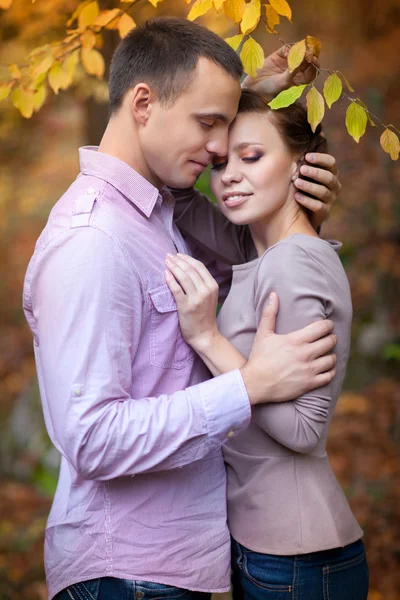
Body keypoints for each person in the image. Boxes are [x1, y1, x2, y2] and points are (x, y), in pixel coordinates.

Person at [23, 18, 340, 600]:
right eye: (208, 123)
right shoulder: (94, 240)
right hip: (127, 573)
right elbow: (91, 437)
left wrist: (296, 198)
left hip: (166, 567)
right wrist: (247, 386)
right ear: (143, 103)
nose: (219, 147)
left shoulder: (162, 215)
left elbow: (255, 259)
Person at [165, 89, 369, 600]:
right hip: (272, 551)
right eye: (220, 163)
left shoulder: (292, 260)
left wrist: (208, 338)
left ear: (304, 164)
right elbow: (170, 187)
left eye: (251, 157)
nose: (229, 174)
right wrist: (242, 86)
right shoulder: (262, 252)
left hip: (297, 560)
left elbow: (302, 429)